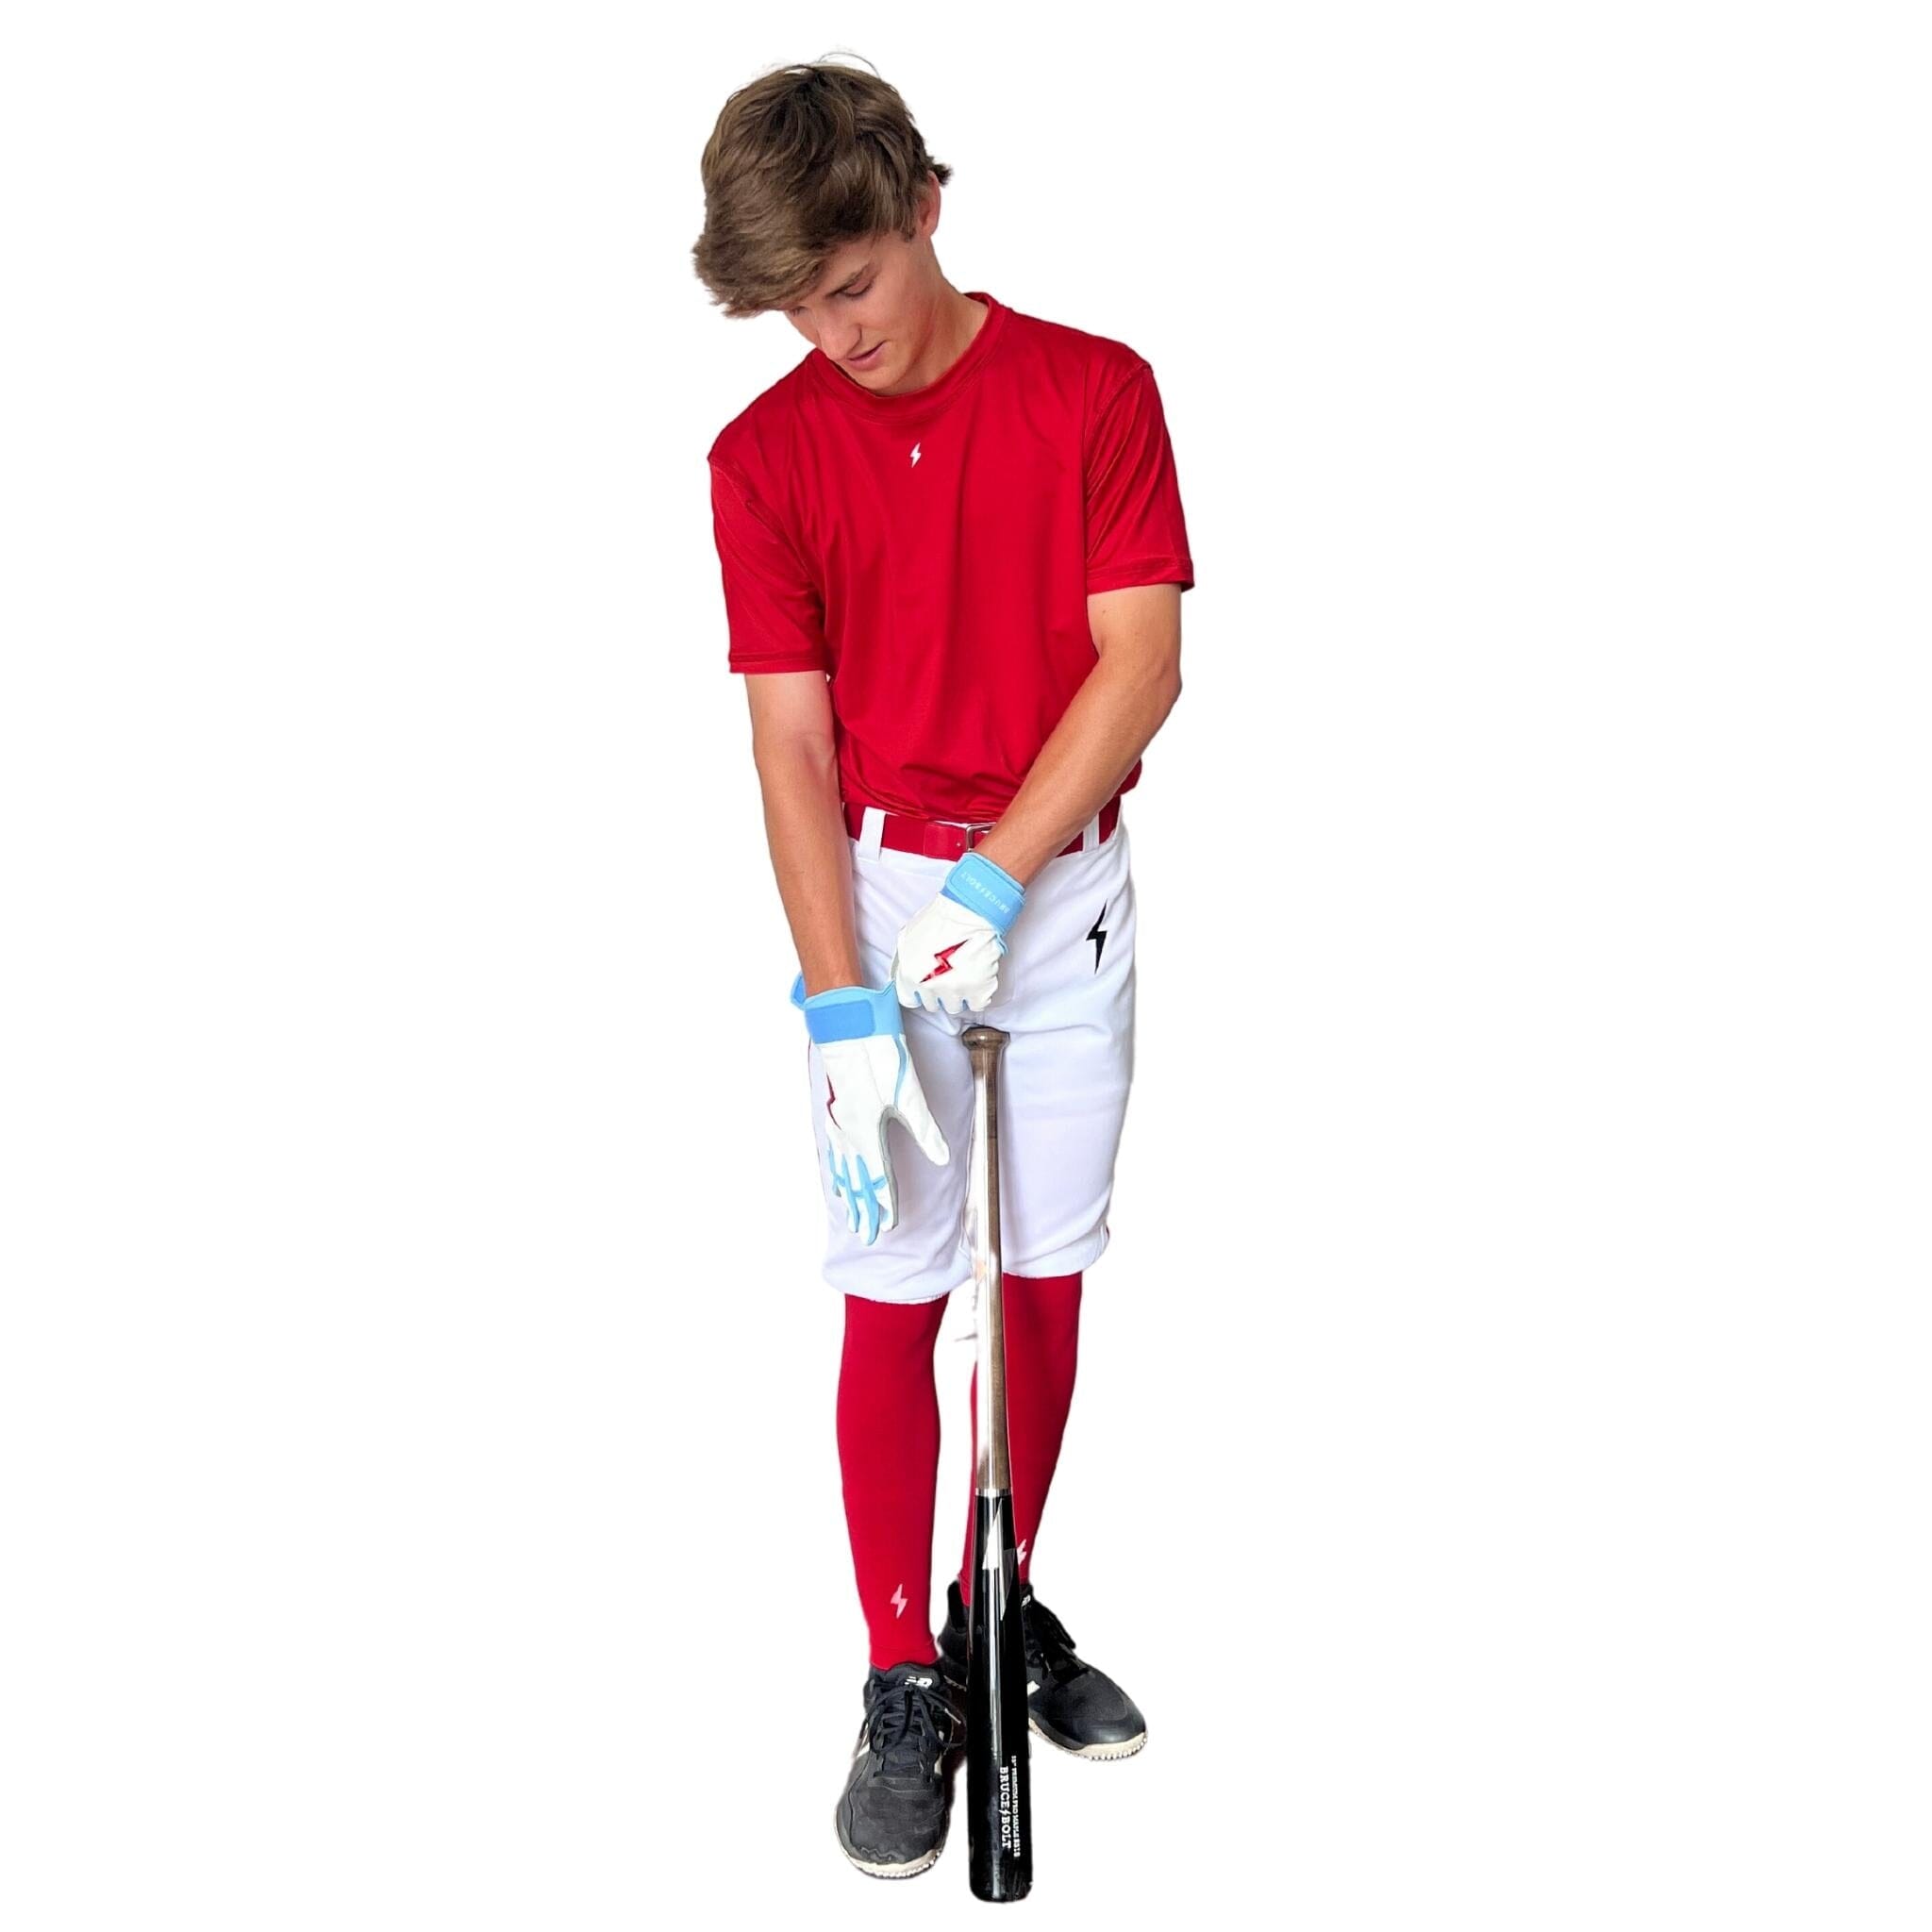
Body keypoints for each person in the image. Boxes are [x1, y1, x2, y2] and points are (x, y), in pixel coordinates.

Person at [694, 58, 1194, 1881]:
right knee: (895, 1279)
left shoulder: (1093, 392)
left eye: (851, 285)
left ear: (925, 207)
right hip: (886, 896)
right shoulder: (761, 461)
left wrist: (1002, 877)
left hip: (1059, 890)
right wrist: (842, 999)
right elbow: (792, 747)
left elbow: (1139, 664)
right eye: (793, 310)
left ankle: (1003, 1600)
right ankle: (903, 1668)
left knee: (1044, 1265)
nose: (832, 336)